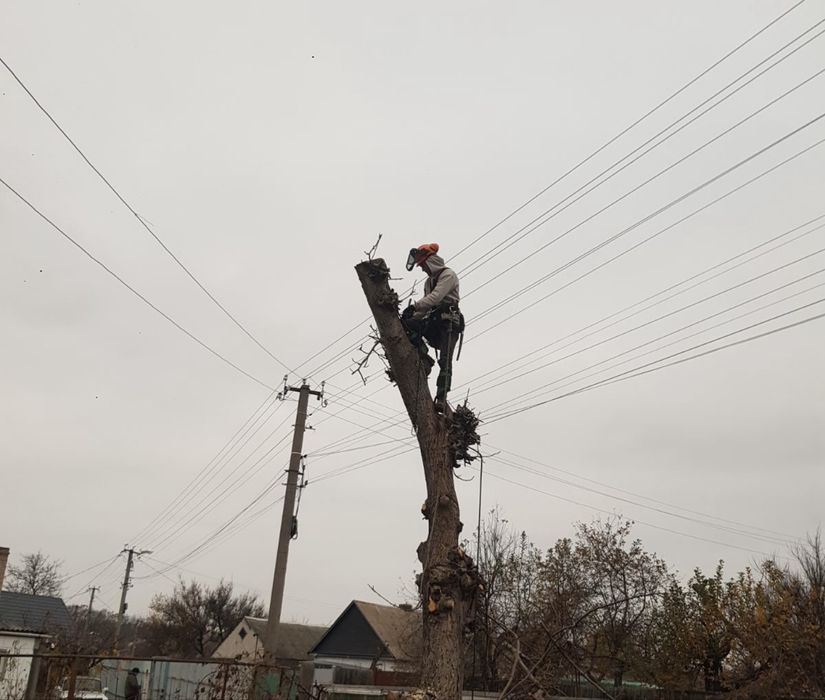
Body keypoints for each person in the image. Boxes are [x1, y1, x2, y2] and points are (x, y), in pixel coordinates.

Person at [401, 243, 463, 413]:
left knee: (445, 360)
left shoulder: (448, 275)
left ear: (431, 261)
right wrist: (411, 317)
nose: (422, 269)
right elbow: (427, 306)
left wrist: (415, 306)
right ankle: (423, 357)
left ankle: (441, 398)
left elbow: (436, 297)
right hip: (434, 321)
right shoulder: (429, 282)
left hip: (449, 323)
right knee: (408, 325)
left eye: (422, 265)